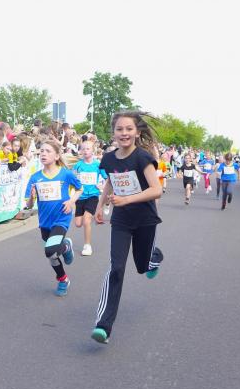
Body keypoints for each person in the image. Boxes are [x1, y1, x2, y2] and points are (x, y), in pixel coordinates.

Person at [92, 111, 164, 345]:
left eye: (129, 129)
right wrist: (101, 205)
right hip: (121, 220)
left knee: (142, 266)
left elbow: (156, 190)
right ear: (113, 133)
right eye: (119, 129)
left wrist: (127, 199)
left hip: (145, 220)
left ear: (137, 132)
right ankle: (103, 325)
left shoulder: (142, 158)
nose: (124, 133)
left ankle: (154, 257)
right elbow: (111, 181)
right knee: (116, 268)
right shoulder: (109, 159)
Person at [24, 138, 82, 297]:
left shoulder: (66, 174)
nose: (43, 154)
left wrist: (71, 201)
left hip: (61, 218)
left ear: (56, 156)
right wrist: (31, 198)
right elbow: (29, 205)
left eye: (48, 151)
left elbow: (79, 189)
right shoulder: (35, 178)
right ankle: (65, 257)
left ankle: (62, 279)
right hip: (45, 222)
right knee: (53, 254)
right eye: (41, 151)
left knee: (50, 250)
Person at [72, 141, 105, 255]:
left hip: (93, 195)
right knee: (78, 223)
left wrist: (102, 186)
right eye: (83, 149)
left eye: (88, 149)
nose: (85, 151)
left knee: (86, 220)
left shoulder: (97, 164)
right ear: (80, 151)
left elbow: (107, 178)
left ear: (93, 150)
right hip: (80, 196)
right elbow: (73, 179)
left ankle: (87, 246)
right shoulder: (78, 165)